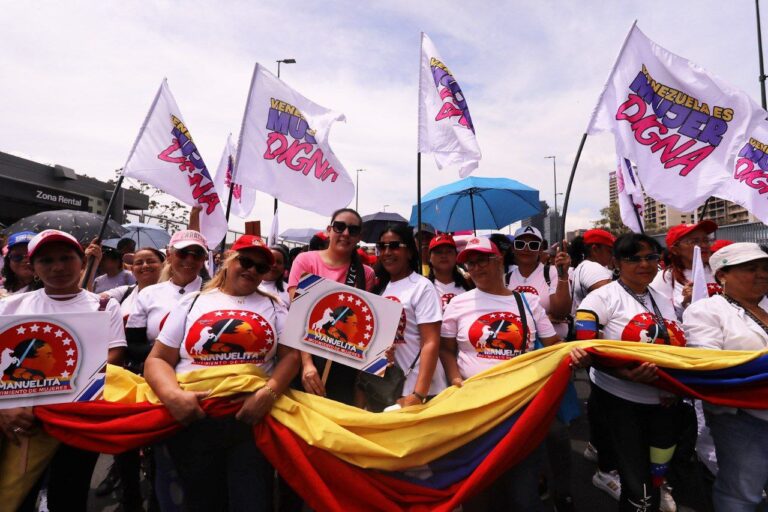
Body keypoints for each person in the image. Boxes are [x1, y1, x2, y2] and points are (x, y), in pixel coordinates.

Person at [144, 235, 299, 512]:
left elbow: (291, 357)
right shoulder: (192, 302)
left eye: (261, 268)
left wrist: (269, 392)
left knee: (251, 502)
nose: (252, 270)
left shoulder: (275, 306)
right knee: (198, 502)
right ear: (228, 261)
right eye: (246, 261)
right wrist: (173, 397)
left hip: (251, 420)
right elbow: (157, 360)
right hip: (194, 419)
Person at [0, 229, 126, 511]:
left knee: (69, 496)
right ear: (33, 268)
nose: (58, 267)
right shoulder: (10, 307)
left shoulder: (104, 305)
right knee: (16, 495)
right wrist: (3, 408)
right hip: (23, 421)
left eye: (66, 258)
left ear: (82, 261)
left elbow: (114, 353)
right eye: (46, 260)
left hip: (78, 420)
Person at [440, 236, 560, 511]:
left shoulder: (528, 302)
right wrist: (456, 379)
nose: (477, 267)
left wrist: (573, 354)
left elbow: (554, 347)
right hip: (475, 409)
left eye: (483, 259)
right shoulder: (458, 304)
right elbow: (445, 349)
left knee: (522, 495)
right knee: (477, 491)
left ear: (500, 260)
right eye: (470, 263)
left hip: (520, 408)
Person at [574, 233, 685, 512]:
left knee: (657, 478)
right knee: (639, 491)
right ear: (616, 262)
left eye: (650, 257)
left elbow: (679, 344)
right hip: (619, 402)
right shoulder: (600, 298)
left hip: (665, 402)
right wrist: (626, 374)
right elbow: (587, 348)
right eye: (633, 258)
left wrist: (673, 385)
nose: (644, 264)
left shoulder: (663, 297)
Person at [125, 229, 209, 511]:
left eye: (196, 254)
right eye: (183, 253)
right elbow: (132, 345)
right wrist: (166, 356)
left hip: (201, 387)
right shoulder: (149, 294)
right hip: (158, 387)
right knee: (162, 459)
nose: (189, 259)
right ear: (170, 256)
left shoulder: (216, 293)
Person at [683, 243, 768, 511]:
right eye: (751, 269)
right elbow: (707, 363)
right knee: (742, 493)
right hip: (741, 418)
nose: (762, 275)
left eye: (766, 269)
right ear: (722, 275)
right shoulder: (707, 310)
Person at [95, 246, 165, 507]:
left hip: (162, 377)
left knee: (158, 443)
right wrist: (92, 264)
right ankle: (128, 491)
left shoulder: (181, 296)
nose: (144, 266)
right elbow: (84, 297)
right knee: (124, 440)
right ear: (131, 269)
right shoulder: (121, 294)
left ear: (163, 263)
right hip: (124, 375)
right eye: (138, 262)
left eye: (151, 261)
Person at [288, 208, 375, 405]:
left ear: (359, 237)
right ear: (329, 230)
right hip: (307, 354)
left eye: (352, 230)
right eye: (339, 227)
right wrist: (307, 364)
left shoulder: (366, 274)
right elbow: (298, 314)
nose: (345, 233)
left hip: (343, 361)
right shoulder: (305, 261)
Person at [371, 224, 444, 407]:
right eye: (382, 246)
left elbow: (431, 342)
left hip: (422, 392)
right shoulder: (380, 290)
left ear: (410, 252)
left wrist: (418, 394)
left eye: (395, 246)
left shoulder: (422, 287)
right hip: (391, 389)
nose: (387, 252)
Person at [506, 226, 572, 339]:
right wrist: (544, 317)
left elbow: (560, 313)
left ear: (540, 250)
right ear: (513, 248)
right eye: (520, 244)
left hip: (551, 345)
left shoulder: (553, 273)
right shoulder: (505, 279)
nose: (526, 249)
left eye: (533, 245)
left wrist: (563, 275)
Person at [652, 220, 719, 320]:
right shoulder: (665, 278)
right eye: (694, 241)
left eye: (706, 240)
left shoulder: (720, 271)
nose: (704, 245)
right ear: (675, 250)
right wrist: (685, 302)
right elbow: (661, 316)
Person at [569, 229, 616, 313]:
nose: (613, 255)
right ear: (595, 249)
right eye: (610, 251)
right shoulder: (591, 267)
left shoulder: (584, 266)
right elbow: (615, 299)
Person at [427, 234, 473, 311]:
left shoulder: (470, 284)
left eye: (448, 251)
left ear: (456, 256)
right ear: (430, 257)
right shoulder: (421, 287)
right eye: (438, 252)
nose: (444, 255)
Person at [0, 231, 37, 296]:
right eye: (17, 256)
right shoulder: (2, 284)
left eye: (31, 256)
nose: (25, 260)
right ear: (8, 260)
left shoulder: (47, 293)